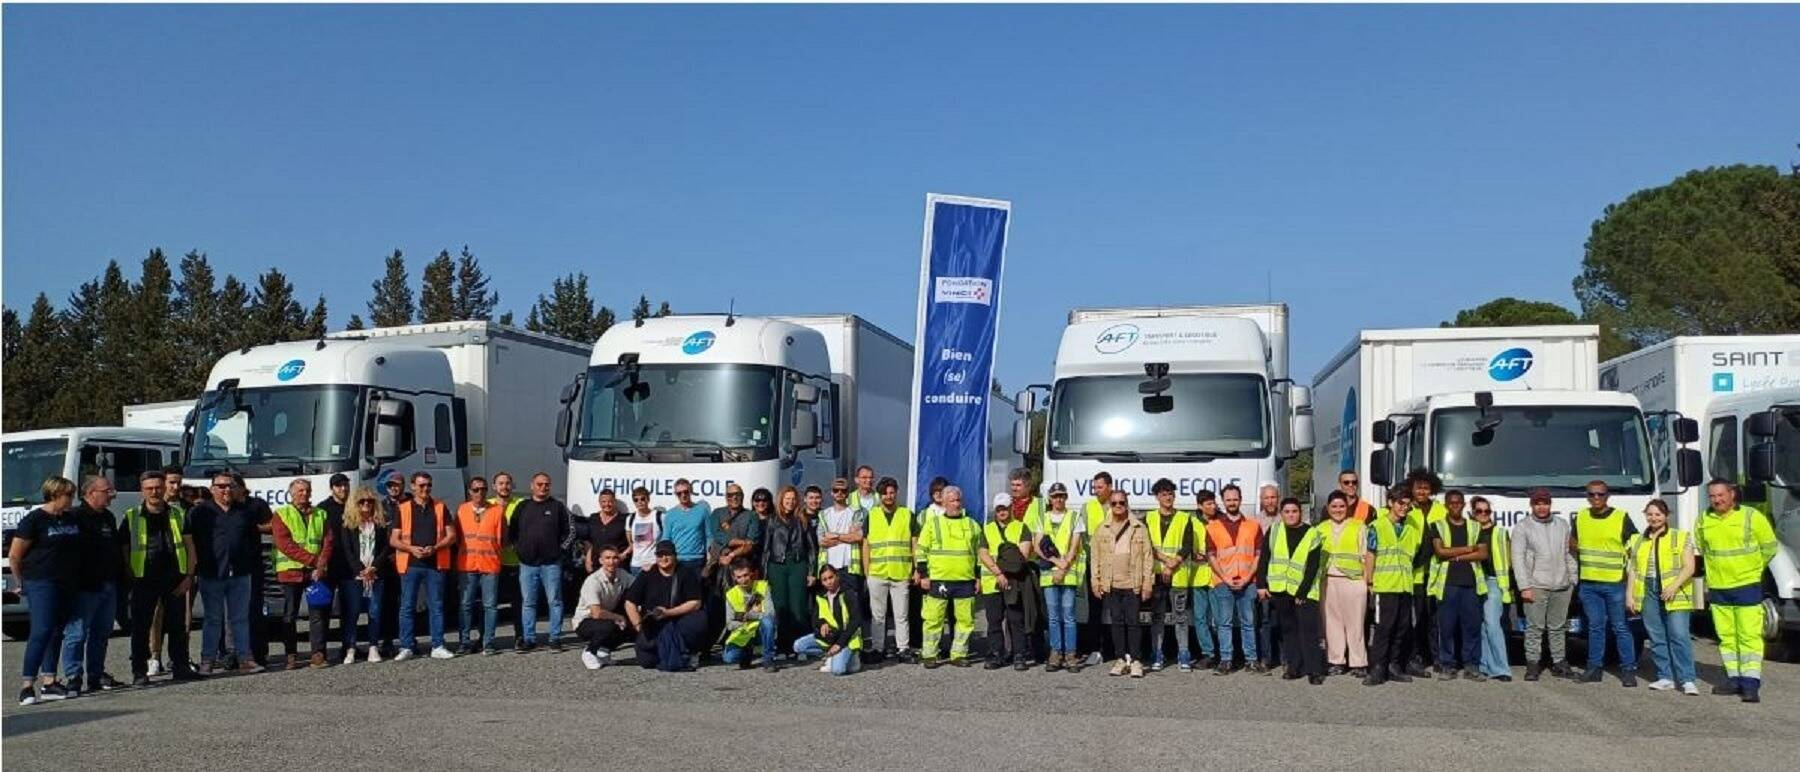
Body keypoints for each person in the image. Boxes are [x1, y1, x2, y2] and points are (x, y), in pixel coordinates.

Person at [1694, 479, 1778, 702]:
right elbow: (1702, 548)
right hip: (1719, 588)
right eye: (1712, 496)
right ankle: (1734, 679)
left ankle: (1750, 683)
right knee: (1727, 637)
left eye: (1721, 495)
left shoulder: (1751, 516)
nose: (1716, 500)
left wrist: (1754, 568)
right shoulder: (1704, 519)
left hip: (1746, 586)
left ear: (1732, 494)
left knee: (1748, 636)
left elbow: (1770, 546)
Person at [121, 471, 201, 685]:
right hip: (143, 580)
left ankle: (181, 667)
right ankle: (139, 672)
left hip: (174, 579)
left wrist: (189, 576)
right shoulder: (131, 516)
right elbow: (124, 549)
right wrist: (130, 577)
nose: (154, 492)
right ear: (142, 491)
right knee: (141, 629)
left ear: (164, 488)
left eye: (158, 487)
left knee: (178, 627)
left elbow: (190, 546)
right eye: (149, 488)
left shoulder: (178, 514)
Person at [11, 477, 81, 705]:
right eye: (68, 495)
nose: (71, 500)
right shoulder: (35, 520)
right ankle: (27, 685)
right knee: (41, 630)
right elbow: (15, 555)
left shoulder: (70, 518)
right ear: (55, 495)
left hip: (66, 582)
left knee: (55, 630)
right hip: (41, 580)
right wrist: (20, 580)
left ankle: (49, 681)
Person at [190, 472, 262, 674]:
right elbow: (191, 542)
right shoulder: (200, 512)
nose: (226, 490)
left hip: (240, 573)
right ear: (212, 489)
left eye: (229, 486)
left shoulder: (245, 512)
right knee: (213, 619)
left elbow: (253, 541)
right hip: (211, 573)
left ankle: (245, 659)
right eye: (221, 486)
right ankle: (208, 661)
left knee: (240, 618)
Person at [1571, 479, 1638, 686]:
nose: (1596, 498)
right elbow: (1573, 542)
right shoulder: (1581, 516)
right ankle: (1594, 668)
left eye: (1600, 494)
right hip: (1589, 584)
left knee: (1620, 627)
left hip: (1614, 583)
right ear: (1587, 496)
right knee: (1595, 627)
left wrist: (1631, 580)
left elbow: (1635, 546)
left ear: (1607, 496)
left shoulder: (1620, 517)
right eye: (1592, 494)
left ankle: (1628, 670)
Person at [60, 475, 123, 694]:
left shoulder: (108, 517)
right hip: (84, 586)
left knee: (102, 633)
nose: (112, 495)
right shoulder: (75, 517)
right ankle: (73, 676)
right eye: (107, 491)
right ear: (90, 493)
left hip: (108, 584)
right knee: (77, 633)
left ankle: (95, 676)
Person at [1626, 499, 1697, 694]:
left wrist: (1673, 586)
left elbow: (1690, 566)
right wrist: (1629, 595)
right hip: (1648, 590)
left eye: (1657, 514)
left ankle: (1687, 679)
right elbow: (1633, 569)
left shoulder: (1680, 537)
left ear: (1666, 516)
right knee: (1656, 636)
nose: (1653, 518)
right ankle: (1664, 677)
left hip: (1675, 591)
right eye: (1650, 514)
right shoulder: (1637, 540)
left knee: (1679, 635)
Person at [1509, 487, 1577, 681]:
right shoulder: (1523, 527)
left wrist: (1573, 579)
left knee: (1558, 627)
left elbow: (1568, 553)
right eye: (1537, 503)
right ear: (1531, 505)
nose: (1541, 507)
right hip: (1536, 585)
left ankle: (1559, 662)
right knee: (1535, 627)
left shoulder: (1562, 524)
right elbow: (1518, 558)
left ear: (1550, 504)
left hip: (1562, 584)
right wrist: (1524, 586)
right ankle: (1532, 663)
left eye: (1545, 503)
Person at [1426, 489, 1491, 682]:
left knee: (1471, 627)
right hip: (1447, 584)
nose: (1455, 506)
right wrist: (1467, 549)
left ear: (1464, 505)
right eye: (1451, 503)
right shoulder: (1437, 526)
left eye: (1458, 503)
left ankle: (1471, 665)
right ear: (1446, 505)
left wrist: (1454, 555)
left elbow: (1483, 554)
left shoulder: (1474, 527)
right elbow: (1439, 551)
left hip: (1471, 584)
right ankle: (1447, 665)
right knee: (1446, 627)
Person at [1259, 497, 1325, 684]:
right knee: (1288, 632)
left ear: (1300, 513)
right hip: (1280, 590)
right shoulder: (1274, 531)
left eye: (1294, 511)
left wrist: (1301, 593)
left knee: (1309, 633)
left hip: (1304, 592)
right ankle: (1294, 667)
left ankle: (1314, 671)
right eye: (1287, 511)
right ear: (1281, 514)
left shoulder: (1312, 533)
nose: (1290, 515)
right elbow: (1264, 558)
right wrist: (1261, 585)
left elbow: (1313, 567)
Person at [392, 472, 457, 660]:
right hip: (410, 564)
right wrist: (411, 548)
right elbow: (394, 539)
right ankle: (406, 646)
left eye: (428, 485)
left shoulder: (440, 507)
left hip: (435, 563)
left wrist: (435, 548)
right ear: (412, 487)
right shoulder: (403, 509)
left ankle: (437, 645)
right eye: (421, 485)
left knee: (436, 606)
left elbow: (451, 536)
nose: (425, 489)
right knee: (407, 606)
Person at [271, 478, 334, 669]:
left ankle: (318, 654)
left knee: (318, 614)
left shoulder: (321, 514)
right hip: (290, 572)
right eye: (299, 491)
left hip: (315, 574)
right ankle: (291, 655)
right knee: (290, 615)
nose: (304, 494)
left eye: (307, 490)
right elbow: (285, 545)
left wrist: (321, 565)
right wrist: (314, 561)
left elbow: (328, 541)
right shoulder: (281, 514)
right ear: (291, 493)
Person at [1364, 485, 1424, 687]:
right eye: (1400, 503)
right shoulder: (1377, 526)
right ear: (1390, 502)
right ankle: (1377, 668)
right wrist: (1369, 580)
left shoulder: (1411, 529)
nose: (1404, 508)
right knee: (1384, 629)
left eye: (1407, 504)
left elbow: (1413, 556)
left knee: (1402, 628)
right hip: (1385, 585)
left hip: (1405, 585)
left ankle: (1393, 665)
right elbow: (1371, 554)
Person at [1090, 490, 1152, 678]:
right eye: (1115, 503)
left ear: (1127, 504)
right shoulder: (1102, 529)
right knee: (1116, 622)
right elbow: (1095, 557)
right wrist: (1095, 581)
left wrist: (1147, 583)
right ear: (1110, 505)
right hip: (1111, 584)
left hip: (1132, 584)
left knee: (1133, 622)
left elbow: (1148, 557)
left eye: (1122, 503)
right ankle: (1120, 659)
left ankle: (1135, 660)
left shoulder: (1139, 528)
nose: (1118, 506)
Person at [918, 485, 980, 668]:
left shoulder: (972, 524)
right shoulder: (932, 523)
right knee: (933, 619)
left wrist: (978, 577)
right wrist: (923, 575)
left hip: (965, 579)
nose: (956, 504)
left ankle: (959, 654)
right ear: (943, 503)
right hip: (939, 579)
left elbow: (979, 553)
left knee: (965, 620)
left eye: (958, 500)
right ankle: (929, 654)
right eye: (952, 501)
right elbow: (921, 550)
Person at [510, 472, 573, 652]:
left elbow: (570, 531)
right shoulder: (523, 506)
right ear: (532, 486)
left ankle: (555, 638)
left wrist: (561, 550)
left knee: (554, 601)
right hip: (527, 563)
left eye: (546, 484)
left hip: (551, 563)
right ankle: (529, 639)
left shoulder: (558, 507)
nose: (543, 487)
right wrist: (518, 549)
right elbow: (512, 530)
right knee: (528, 602)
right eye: (539, 484)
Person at [1207, 483, 1264, 674]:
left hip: (1248, 582)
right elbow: (1211, 556)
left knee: (1248, 622)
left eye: (1235, 499)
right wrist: (1224, 577)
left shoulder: (1253, 525)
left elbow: (1258, 554)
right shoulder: (1213, 527)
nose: (1232, 502)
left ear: (1240, 500)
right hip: (1224, 581)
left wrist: (1248, 578)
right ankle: (1226, 660)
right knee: (1224, 622)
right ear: (1223, 501)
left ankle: (1251, 660)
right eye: (1228, 499)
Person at [146, 464, 197, 678]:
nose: (176, 487)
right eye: (172, 482)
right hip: (155, 571)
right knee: (156, 616)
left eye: (179, 482)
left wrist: (190, 573)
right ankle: (154, 657)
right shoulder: (149, 507)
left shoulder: (188, 508)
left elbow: (192, 542)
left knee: (183, 618)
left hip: (180, 571)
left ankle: (179, 658)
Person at [330, 485, 390, 664]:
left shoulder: (380, 524)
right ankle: (350, 647)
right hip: (354, 576)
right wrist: (360, 570)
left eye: (370, 501)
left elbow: (386, 548)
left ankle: (373, 646)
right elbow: (347, 550)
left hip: (376, 574)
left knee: (375, 611)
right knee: (352, 612)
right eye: (362, 501)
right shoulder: (348, 524)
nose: (366, 505)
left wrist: (374, 568)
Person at [625, 540, 706, 671]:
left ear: (675, 556)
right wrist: (639, 626)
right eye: (660, 555)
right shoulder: (647, 574)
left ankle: (687, 652)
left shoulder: (686, 573)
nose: (663, 558)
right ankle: (673, 653)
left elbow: (695, 602)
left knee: (699, 620)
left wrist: (668, 613)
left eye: (667, 555)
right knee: (646, 661)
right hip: (653, 623)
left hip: (678, 619)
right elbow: (630, 602)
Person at [1316, 491, 1372, 677]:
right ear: (1328, 508)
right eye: (1334, 506)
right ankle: (1336, 660)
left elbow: (1366, 555)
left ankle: (1358, 662)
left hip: (1353, 581)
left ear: (1346, 507)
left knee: (1355, 624)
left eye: (1341, 506)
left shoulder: (1359, 526)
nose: (1338, 510)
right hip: (1328, 580)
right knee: (1332, 624)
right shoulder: (1320, 528)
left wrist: (1367, 582)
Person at [978, 493, 1036, 670]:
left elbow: (1023, 556)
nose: (1002, 512)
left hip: (1014, 583)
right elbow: (983, 553)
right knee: (994, 621)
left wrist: (1005, 573)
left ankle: (1019, 655)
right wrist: (998, 573)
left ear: (1011, 508)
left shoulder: (1021, 527)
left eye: (1005, 508)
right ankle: (996, 654)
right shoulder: (987, 529)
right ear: (995, 511)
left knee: (1015, 619)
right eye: (999, 509)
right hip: (992, 582)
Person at [862, 477, 916, 664]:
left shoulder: (906, 514)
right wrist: (867, 571)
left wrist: (916, 568)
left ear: (897, 493)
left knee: (901, 615)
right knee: (878, 615)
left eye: (892, 492)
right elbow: (866, 544)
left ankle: (903, 648)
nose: (889, 496)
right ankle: (878, 648)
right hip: (877, 572)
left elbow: (914, 543)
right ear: (880, 495)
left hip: (901, 572)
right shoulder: (872, 515)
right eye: (885, 493)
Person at [1144, 479, 1196, 672]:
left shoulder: (1184, 518)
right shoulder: (1148, 518)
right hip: (1157, 575)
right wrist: (1166, 561)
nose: (1168, 497)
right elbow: (1147, 544)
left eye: (1171, 494)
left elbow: (1188, 545)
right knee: (1157, 617)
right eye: (1164, 494)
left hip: (1178, 574)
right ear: (1157, 497)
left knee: (1180, 617)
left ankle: (1184, 654)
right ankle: (1157, 654)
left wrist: (1173, 563)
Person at [1034, 482, 1084, 672]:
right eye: (1055, 496)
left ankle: (1071, 654)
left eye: (1062, 495)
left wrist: (1064, 567)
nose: (1058, 499)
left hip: (1068, 572)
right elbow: (1038, 545)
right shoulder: (1042, 518)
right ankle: (1055, 653)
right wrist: (1056, 561)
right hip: (1049, 573)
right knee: (1053, 617)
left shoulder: (1074, 517)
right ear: (1050, 499)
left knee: (1069, 616)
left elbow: (1075, 545)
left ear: (1066, 497)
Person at [763, 485, 817, 653]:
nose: (790, 502)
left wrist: (811, 572)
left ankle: (799, 644)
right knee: (781, 606)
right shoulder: (772, 520)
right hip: (777, 565)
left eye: (793, 499)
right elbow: (766, 548)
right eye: (787, 499)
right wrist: (764, 574)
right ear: (781, 501)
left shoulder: (802, 520)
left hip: (797, 565)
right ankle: (782, 645)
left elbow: (812, 548)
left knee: (798, 606)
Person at [456, 477, 506, 655]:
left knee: (490, 605)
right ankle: (464, 642)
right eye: (476, 489)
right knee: (465, 605)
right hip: (467, 564)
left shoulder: (497, 511)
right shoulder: (461, 510)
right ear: (469, 491)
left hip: (489, 565)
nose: (480, 493)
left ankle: (488, 642)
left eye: (483, 489)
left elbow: (502, 539)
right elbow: (457, 537)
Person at [1404, 469, 1447, 673]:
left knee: (1435, 619)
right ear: (1411, 488)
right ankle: (1417, 655)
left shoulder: (1441, 510)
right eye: (1418, 487)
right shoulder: (1406, 509)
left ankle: (1437, 657)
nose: (1422, 491)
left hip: (1436, 573)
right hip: (1414, 574)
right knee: (1417, 618)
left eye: (1426, 487)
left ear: (1432, 489)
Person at [1470, 497, 1515, 681]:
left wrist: (1509, 587)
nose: (1483, 514)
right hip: (1475, 581)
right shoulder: (1470, 531)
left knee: (1492, 624)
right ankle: (1485, 665)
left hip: (1494, 581)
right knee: (1481, 626)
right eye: (1479, 511)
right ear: (1473, 513)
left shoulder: (1500, 532)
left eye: (1486, 511)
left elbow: (1509, 560)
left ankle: (1502, 668)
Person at [795, 563, 864, 676]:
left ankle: (853, 659)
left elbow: (856, 621)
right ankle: (830, 656)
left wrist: (839, 644)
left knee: (837, 671)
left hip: (847, 640)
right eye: (825, 580)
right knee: (798, 646)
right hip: (829, 638)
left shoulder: (848, 593)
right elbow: (815, 618)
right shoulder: (820, 595)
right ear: (821, 582)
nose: (829, 582)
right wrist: (822, 624)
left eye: (831, 577)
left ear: (837, 576)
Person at [1078, 471, 1116, 665]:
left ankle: (1118, 650)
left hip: (1117, 565)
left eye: (1100, 487)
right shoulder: (1087, 507)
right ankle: (1095, 649)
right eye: (1094, 487)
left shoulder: (1119, 504)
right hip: (1094, 564)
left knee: (1117, 609)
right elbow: (1082, 536)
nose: (1096, 491)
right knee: (1095, 609)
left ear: (1109, 487)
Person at [574, 545, 634, 670]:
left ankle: (604, 651)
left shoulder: (623, 574)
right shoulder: (593, 581)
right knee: (610, 626)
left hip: (607, 617)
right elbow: (596, 613)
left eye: (615, 558)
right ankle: (590, 651)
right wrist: (619, 617)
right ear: (601, 561)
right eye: (607, 558)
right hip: (585, 621)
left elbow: (639, 587)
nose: (611, 562)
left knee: (632, 624)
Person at [1251, 481, 1283, 671]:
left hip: (1284, 580)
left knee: (1283, 621)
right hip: (1263, 579)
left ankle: (1285, 657)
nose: (1270, 501)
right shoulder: (1254, 523)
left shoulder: (1287, 518)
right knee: (1264, 621)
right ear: (1261, 501)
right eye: (1267, 498)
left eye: (1273, 497)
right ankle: (1266, 658)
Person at [721, 559, 775, 671]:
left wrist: (749, 616)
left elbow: (770, 613)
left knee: (768, 622)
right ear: (734, 578)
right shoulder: (731, 594)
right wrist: (742, 623)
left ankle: (768, 658)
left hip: (760, 630)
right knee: (729, 658)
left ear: (751, 574)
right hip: (744, 632)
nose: (743, 580)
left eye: (746, 575)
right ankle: (747, 653)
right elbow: (729, 623)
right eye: (739, 577)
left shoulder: (763, 587)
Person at [1188, 489, 1218, 669]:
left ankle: (1223, 652)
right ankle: (1208, 653)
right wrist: (1193, 554)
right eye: (1208, 504)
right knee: (1200, 618)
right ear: (1200, 506)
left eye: (1214, 503)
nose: (1213, 506)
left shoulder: (1221, 522)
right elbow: (1186, 545)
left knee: (1219, 619)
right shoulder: (1192, 522)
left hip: (1217, 576)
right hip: (1198, 577)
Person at [663, 478, 713, 574]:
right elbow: (666, 539)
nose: (683, 495)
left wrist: (709, 557)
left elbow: (709, 535)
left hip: (698, 561)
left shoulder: (702, 510)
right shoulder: (670, 514)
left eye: (686, 492)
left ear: (690, 491)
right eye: (679, 493)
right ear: (676, 494)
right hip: (677, 561)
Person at [585, 488, 628, 573]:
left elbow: (633, 542)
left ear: (614, 502)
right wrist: (588, 560)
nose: (607, 504)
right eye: (603, 502)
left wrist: (623, 554)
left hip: (616, 566)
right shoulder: (593, 518)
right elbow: (589, 542)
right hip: (596, 566)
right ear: (599, 502)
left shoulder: (624, 519)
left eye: (610, 501)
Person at [625, 486, 662, 576]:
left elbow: (665, 538)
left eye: (642, 498)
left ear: (648, 499)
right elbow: (631, 543)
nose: (639, 502)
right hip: (636, 565)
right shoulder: (630, 518)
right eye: (636, 500)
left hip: (653, 564)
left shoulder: (659, 516)